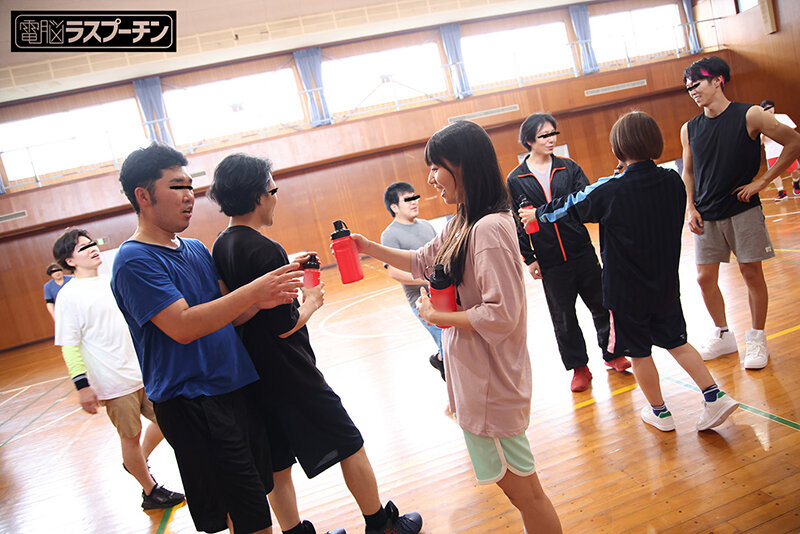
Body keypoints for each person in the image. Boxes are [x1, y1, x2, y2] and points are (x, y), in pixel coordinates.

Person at [350, 121, 562, 533]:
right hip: (476, 380)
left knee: (527, 494)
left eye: (436, 168)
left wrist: (438, 317)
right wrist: (368, 246)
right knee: (518, 492)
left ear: (462, 166)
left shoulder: (489, 228)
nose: (431, 179)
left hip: (491, 383)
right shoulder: (462, 220)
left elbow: (502, 314)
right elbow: (422, 261)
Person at [209, 154, 423, 534]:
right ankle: (381, 525)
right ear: (258, 196)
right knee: (349, 442)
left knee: (278, 465)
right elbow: (283, 326)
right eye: (273, 190)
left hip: (254, 375)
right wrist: (311, 302)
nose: (275, 198)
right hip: (291, 373)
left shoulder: (221, 244)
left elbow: (244, 306)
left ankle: (294, 531)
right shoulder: (265, 248)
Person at [111, 143, 304, 534]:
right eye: (176, 186)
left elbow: (230, 314)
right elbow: (182, 326)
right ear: (143, 196)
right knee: (249, 515)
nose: (189, 196)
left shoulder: (196, 248)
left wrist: (271, 291)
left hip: (237, 389)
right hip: (194, 403)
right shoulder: (134, 260)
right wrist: (252, 292)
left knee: (251, 502)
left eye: (190, 185)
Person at [527, 111, 740, 432]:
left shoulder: (611, 189)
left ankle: (660, 413)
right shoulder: (672, 181)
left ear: (618, 149)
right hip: (665, 286)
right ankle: (714, 396)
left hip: (626, 292)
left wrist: (536, 215)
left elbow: (570, 206)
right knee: (677, 342)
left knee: (639, 353)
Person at [680, 56, 800, 369]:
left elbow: (793, 142)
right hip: (706, 214)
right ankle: (723, 335)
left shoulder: (750, 114)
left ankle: (757, 338)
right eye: (688, 88)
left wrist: (763, 181)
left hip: (742, 209)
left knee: (751, 273)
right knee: (704, 278)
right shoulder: (689, 129)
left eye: (697, 84)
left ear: (718, 80)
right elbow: (688, 172)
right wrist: (690, 206)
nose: (693, 91)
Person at [52, 228, 185, 509]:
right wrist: (82, 386)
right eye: (83, 247)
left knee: (171, 420)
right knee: (130, 437)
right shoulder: (68, 296)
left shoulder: (111, 281)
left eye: (92, 243)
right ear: (69, 261)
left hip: (144, 372)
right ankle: (150, 491)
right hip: (113, 382)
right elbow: (69, 345)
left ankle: (137, 462)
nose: (92, 248)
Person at [507, 113, 629, 393]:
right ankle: (579, 368)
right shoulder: (516, 179)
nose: (551, 139)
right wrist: (529, 257)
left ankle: (613, 354)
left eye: (553, 134)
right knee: (563, 317)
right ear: (529, 141)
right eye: (544, 135)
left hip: (581, 251)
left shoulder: (568, 168)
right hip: (550, 260)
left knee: (602, 305)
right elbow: (518, 221)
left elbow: (585, 203)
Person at [380, 182, 445, 381]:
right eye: (407, 199)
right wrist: (427, 279)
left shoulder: (426, 225)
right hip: (421, 299)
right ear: (394, 207)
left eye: (415, 197)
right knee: (446, 343)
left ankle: (440, 360)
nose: (414, 202)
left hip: (444, 293)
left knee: (453, 343)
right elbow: (394, 272)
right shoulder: (389, 235)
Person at [759, 99, 800, 200]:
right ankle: (781, 192)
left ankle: (796, 184)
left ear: (774, 107)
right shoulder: (760, 123)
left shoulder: (783, 117)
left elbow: (792, 132)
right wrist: (763, 134)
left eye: (770, 107)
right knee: (774, 174)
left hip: (786, 150)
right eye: (766, 108)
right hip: (771, 153)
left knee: (795, 170)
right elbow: (760, 142)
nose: (769, 110)